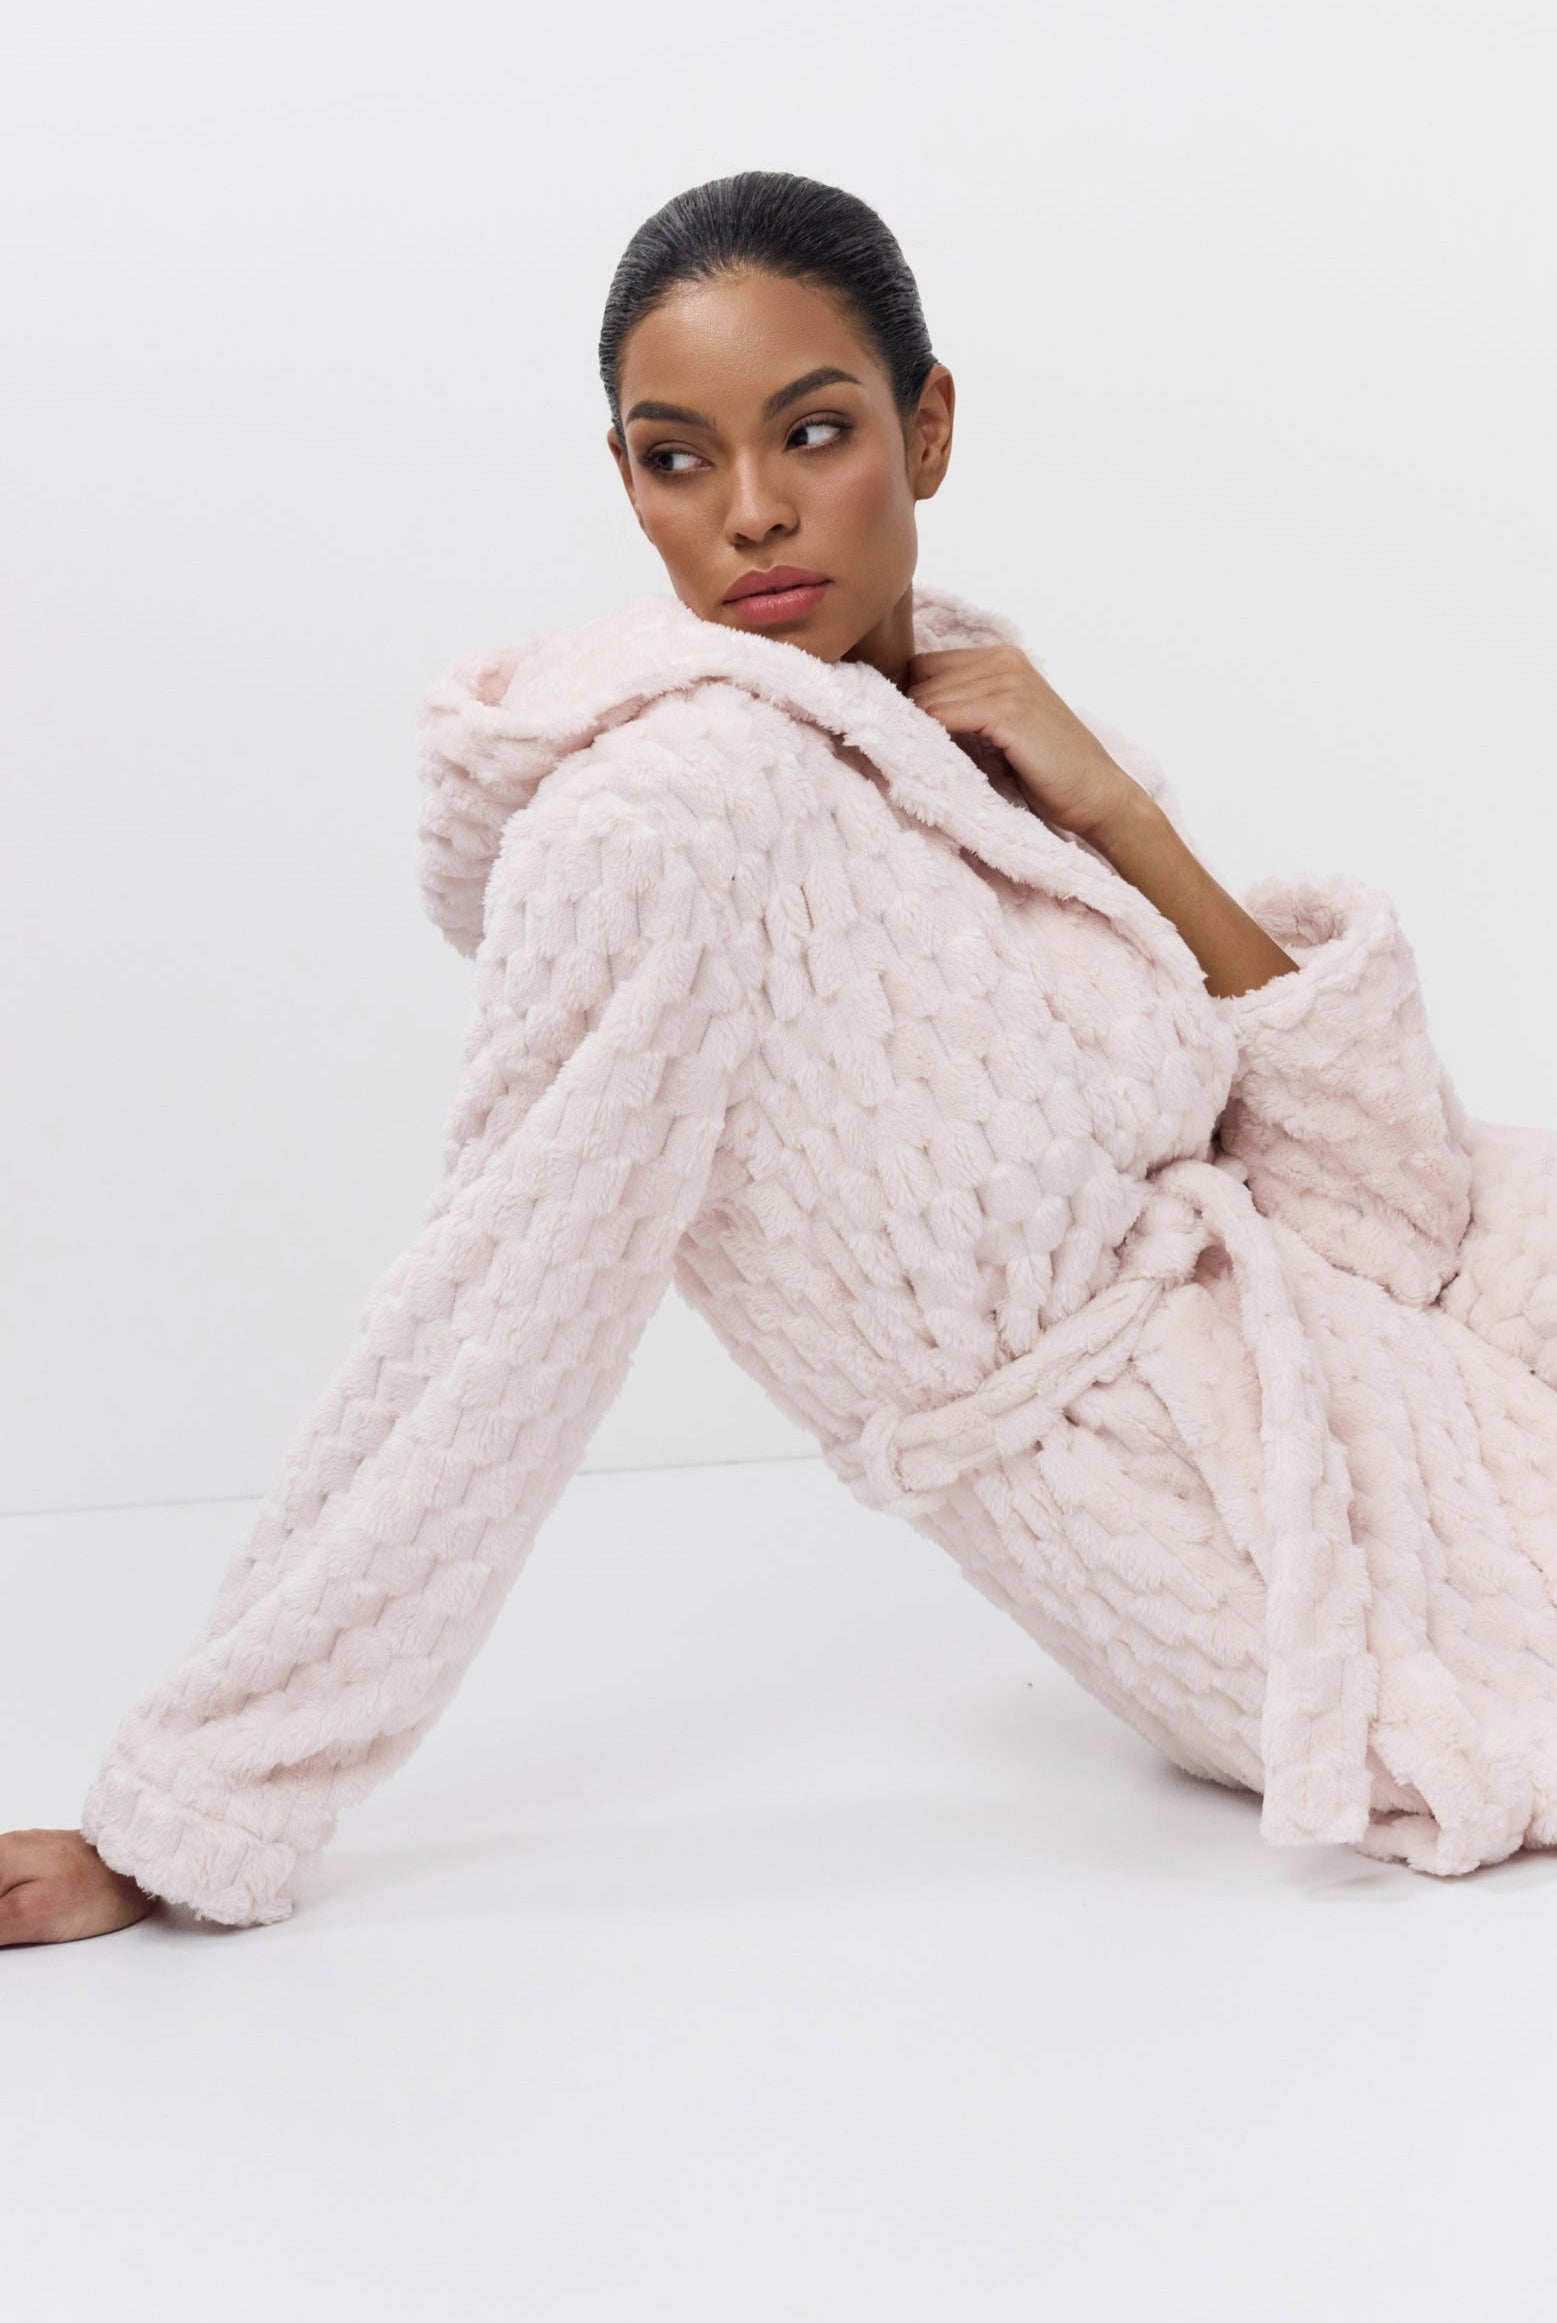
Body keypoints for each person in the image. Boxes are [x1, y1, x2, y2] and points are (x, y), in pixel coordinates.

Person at [7, 169, 1557, 1947]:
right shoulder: (662, 826)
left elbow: (1386, 1198)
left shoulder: (974, 739)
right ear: (628, 485)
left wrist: (1121, 813)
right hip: (1198, 1514)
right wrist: (194, 1805)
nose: (749, 515)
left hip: (1337, 1308)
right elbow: (494, 1316)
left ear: (927, 427)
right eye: (678, 460)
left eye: (811, 433)